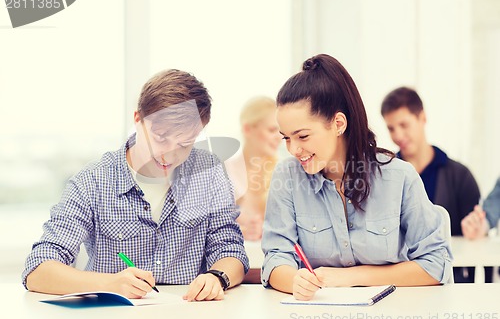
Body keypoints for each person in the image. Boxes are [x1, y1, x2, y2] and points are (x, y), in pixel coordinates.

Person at [22, 69, 249, 301]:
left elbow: (230, 249)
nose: (169, 156)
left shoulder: (208, 171)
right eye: (161, 137)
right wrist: (110, 283)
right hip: (114, 316)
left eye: (185, 143)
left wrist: (216, 277)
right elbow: (37, 271)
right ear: (138, 119)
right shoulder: (93, 181)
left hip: (190, 313)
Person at [261, 54, 452, 301]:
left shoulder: (399, 177)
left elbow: (436, 264)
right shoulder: (287, 176)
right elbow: (276, 257)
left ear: (338, 123)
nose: (293, 149)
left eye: (303, 136)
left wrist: (352, 277)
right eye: (286, 137)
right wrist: (294, 280)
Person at [380, 87, 481, 283]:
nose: (398, 135)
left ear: (422, 118)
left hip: (450, 280)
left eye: (404, 124)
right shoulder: (384, 177)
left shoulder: (460, 176)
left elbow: (475, 229)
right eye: (391, 128)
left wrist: (477, 229)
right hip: (401, 284)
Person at [225, 96, 281, 241]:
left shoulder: (284, 174)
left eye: (281, 132)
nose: (279, 138)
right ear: (247, 129)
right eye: (272, 130)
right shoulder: (224, 172)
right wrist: (241, 231)